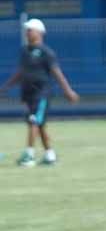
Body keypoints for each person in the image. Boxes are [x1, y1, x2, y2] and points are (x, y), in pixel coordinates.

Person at [1, 18, 79, 167]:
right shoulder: (24, 51)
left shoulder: (46, 53)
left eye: (30, 30)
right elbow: (20, 72)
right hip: (28, 93)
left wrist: (68, 91)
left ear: (39, 32)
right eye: (27, 30)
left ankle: (29, 155)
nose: (27, 32)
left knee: (33, 121)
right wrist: (5, 87)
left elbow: (57, 73)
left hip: (41, 93)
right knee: (40, 124)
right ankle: (50, 156)